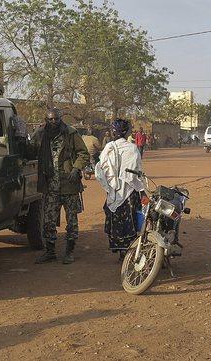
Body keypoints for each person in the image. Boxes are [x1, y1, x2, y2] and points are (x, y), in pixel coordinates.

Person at [31, 108, 90, 265]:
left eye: (56, 119)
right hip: (50, 186)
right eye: (50, 119)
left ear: (60, 119)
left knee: (71, 221)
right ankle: (50, 252)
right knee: (48, 220)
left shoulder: (70, 133)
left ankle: (69, 252)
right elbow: (31, 149)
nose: (53, 122)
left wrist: (76, 168)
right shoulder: (42, 134)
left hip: (69, 185)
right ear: (46, 119)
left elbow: (83, 153)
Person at [95, 119, 146, 261]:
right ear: (128, 132)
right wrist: (142, 190)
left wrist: (110, 185)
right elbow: (137, 172)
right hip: (130, 192)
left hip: (113, 191)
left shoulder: (108, 148)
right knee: (131, 221)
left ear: (113, 131)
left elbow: (101, 170)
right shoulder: (133, 148)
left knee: (115, 220)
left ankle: (121, 252)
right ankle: (129, 252)